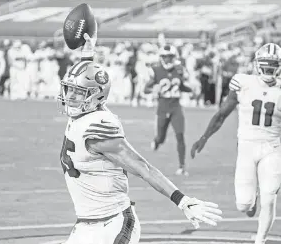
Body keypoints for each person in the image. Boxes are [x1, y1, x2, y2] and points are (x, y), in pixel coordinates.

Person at [58, 32, 222, 244]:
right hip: (84, 225)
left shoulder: (97, 127)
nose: (69, 97)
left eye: (77, 92)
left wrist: (182, 201)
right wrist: (87, 56)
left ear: (94, 96)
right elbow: (91, 86)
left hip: (111, 224)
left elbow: (142, 167)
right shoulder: (82, 114)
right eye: (69, 90)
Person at [191, 43, 281, 244]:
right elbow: (222, 114)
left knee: (270, 197)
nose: (269, 69)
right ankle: (253, 199)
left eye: (273, 65)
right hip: (247, 147)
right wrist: (204, 137)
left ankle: (261, 239)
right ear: (257, 65)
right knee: (244, 205)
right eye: (265, 65)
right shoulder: (243, 83)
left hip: (272, 149)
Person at [144, 45, 192, 176]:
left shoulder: (180, 70)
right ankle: (157, 141)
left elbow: (183, 87)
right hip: (163, 107)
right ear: (161, 57)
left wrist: (191, 90)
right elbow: (145, 89)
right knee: (161, 138)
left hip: (176, 107)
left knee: (180, 135)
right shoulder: (156, 70)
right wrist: (154, 89)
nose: (167, 59)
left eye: (170, 56)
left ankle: (182, 166)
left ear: (174, 57)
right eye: (164, 56)